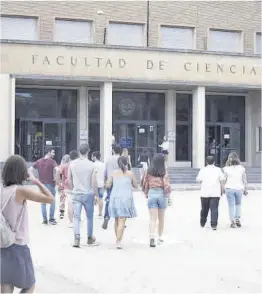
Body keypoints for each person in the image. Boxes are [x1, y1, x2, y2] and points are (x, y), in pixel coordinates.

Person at [1, 155, 54, 293]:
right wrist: (36, 181)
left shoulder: (1, 190)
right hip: (18, 245)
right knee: (29, 285)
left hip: (2, 244)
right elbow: (50, 198)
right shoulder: (20, 191)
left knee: (6, 284)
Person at [68, 144, 98, 247]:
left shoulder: (72, 164)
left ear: (79, 151)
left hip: (76, 193)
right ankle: (89, 238)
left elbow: (69, 179)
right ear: (88, 152)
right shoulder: (92, 165)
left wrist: (72, 189)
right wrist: (96, 194)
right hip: (88, 193)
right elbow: (94, 181)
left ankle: (76, 238)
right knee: (89, 217)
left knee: (76, 217)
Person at [107, 156, 138, 249]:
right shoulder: (130, 173)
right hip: (125, 198)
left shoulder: (113, 173)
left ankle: (118, 239)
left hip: (115, 197)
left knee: (116, 220)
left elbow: (108, 184)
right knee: (122, 220)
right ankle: (118, 241)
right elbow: (136, 186)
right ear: (126, 162)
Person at [142, 154, 171, 248]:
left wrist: (146, 193)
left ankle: (151, 237)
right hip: (161, 194)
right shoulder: (164, 171)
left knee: (152, 218)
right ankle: (160, 237)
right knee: (161, 218)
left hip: (151, 194)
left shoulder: (148, 171)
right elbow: (166, 185)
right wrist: (168, 196)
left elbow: (145, 183)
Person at [29, 147, 57, 225]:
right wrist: (56, 178)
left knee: (43, 202)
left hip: (41, 185)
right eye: (53, 152)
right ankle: (51, 219)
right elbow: (57, 170)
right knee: (52, 201)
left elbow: (30, 169)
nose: (54, 154)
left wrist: (34, 178)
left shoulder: (38, 161)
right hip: (50, 184)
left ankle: (45, 220)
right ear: (48, 152)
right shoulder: (52, 162)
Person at [196, 156, 225, 230]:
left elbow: (198, 180)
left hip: (205, 193)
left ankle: (202, 222)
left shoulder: (203, 170)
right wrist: (222, 190)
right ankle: (214, 225)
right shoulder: (218, 170)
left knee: (204, 209)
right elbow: (222, 181)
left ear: (206, 162)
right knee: (214, 209)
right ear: (214, 162)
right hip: (215, 192)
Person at [223, 152, 248, 228]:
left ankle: (232, 221)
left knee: (231, 205)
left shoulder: (226, 169)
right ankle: (237, 219)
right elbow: (244, 180)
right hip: (239, 189)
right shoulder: (242, 169)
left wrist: (222, 188)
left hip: (229, 188)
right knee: (238, 204)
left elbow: (224, 180)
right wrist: (245, 189)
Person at [102, 144, 122, 230]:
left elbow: (105, 172)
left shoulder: (108, 159)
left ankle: (107, 216)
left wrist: (105, 182)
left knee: (109, 199)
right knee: (119, 200)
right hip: (119, 182)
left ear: (113, 150)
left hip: (110, 182)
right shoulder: (121, 159)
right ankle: (119, 218)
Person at [59, 150, 79, 227]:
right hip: (77, 187)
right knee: (77, 204)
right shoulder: (78, 165)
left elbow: (61, 175)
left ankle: (70, 221)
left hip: (67, 186)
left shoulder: (65, 166)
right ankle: (77, 218)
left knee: (69, 203)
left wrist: (60, 183)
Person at [56, 154, 70, 220]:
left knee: (62, 200)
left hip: (63, 185)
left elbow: (58, 174)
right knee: (71, 200)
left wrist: (59, 183)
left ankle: (61, 213)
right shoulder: (71, 165)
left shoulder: (62, 166)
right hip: (70, 185)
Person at [92, 151, 106, 217]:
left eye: (92, 156)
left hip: (93, 184)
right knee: (101, 198)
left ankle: (91, 212)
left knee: (91, 198)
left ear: (94, 157)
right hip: (101, 183)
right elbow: (105, 175)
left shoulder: (93, 165)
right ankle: (100, 212)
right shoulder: (103, 165)